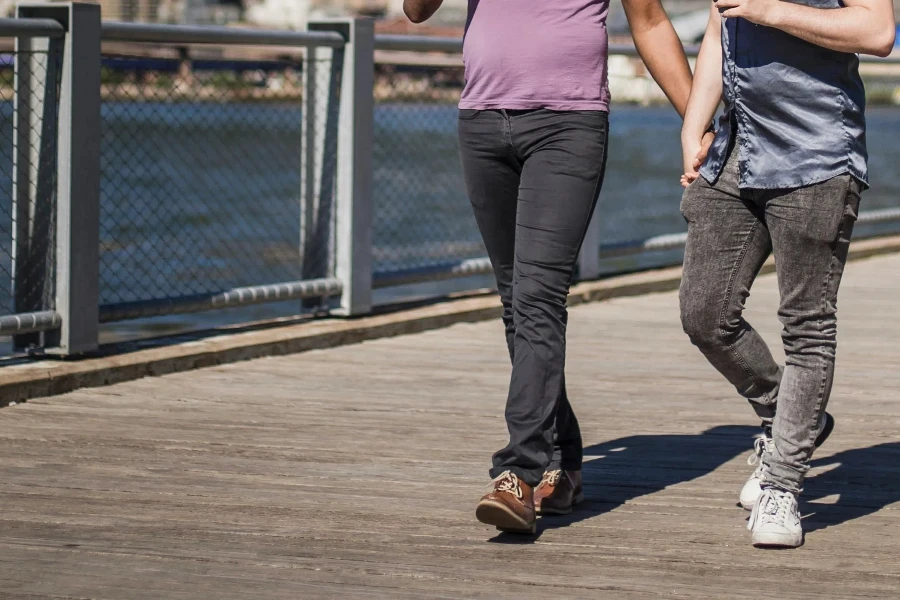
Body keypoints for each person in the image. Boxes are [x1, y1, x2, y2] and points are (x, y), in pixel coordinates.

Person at [404, 0, 712, 534]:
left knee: (538, 297)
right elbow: (415, 10)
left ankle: (519, 473)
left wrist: (700, 125)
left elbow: (650, 20)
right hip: (481, 121)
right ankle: (564, 462)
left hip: (567, 125)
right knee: (516, 303)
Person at [679, 0, 895, 547]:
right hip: (736, 151)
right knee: (704, 312)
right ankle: (789, 419)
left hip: (816, 154)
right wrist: (694, 124)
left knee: (807, 325)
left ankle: (783, 481)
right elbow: (718, 21)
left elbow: (877, 30)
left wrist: (771, 9)